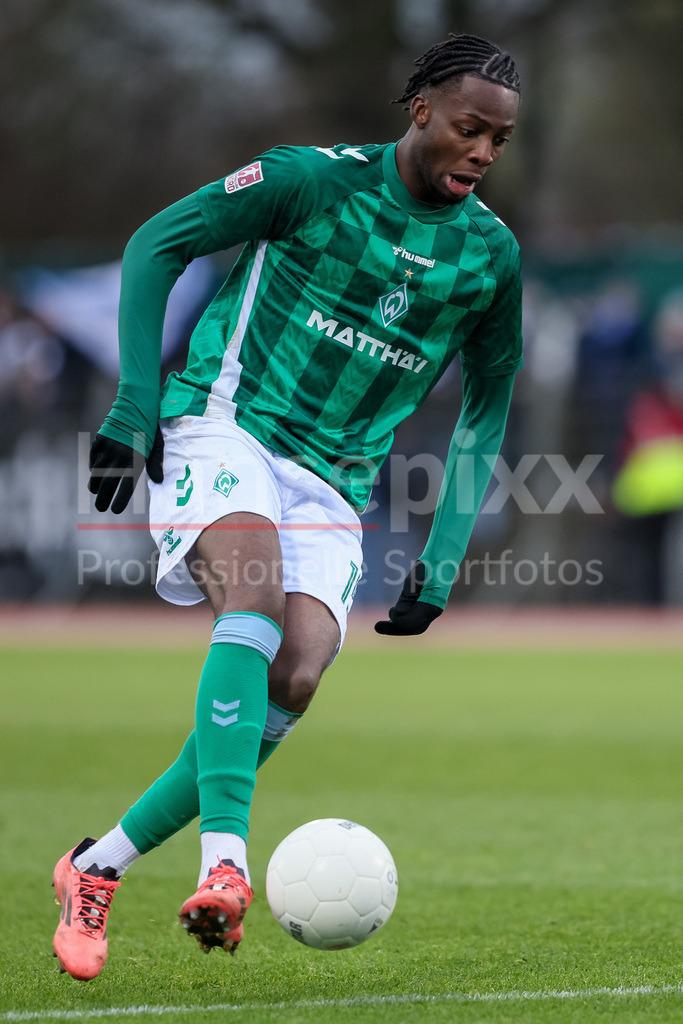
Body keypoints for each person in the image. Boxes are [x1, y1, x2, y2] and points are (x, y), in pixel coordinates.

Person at [53, 33, 523, 980]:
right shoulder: (309, 180)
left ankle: (95, 866)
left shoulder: (488, 258)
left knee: (296, 674)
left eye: (499, 141)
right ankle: (223, 865)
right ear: (420, 110)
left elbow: (486, 410)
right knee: (254, 596)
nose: (481, 153)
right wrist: (135, 401)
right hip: (224, 421)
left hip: (334, 478)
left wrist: (442, 557)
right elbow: (156, 243)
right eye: (468, 129)